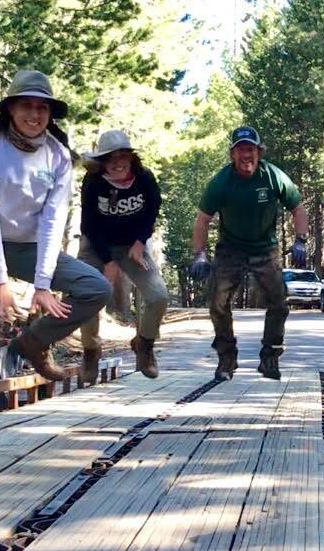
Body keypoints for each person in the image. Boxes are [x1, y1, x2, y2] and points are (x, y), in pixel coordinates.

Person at [0, 69, 110, 382]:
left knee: (95, 288)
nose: (34, 114)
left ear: (50, 113)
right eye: (26, 106)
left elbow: (52, 220)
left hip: (27, 245)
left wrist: (43, 285)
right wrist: (0, 282)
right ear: (10, 109)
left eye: (42, 107)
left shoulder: (59, 157)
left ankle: (34, 342)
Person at [189, 126, 308, 380]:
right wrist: (200, 255)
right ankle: (226, 358)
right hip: (230, 249)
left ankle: (270, 358)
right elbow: (202, 220)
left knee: (278, 301)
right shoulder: (221, 182)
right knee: (218, 303)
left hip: (265, 248)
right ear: (232, 154)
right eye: (241, 150)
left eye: (251, 150)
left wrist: (300, 240)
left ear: (259, 152)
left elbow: (298, 208)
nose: (247, 156)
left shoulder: (273, 176)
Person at [76, 129, 169, 382]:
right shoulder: (93, 182)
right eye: (110, 158)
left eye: (122, 156)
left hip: (132, 246)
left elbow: (152, 209)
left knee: (158, 296)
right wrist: (107, 261)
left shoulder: (144, 178)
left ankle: (144, 344)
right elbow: (89, 226)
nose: (117, 163)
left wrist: (141, 241)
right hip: (97, 245)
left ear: (131, 158)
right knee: (87, 295)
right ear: (102, 161)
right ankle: (91, 350)